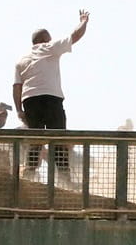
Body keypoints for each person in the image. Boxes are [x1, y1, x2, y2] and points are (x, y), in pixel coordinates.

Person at [13, 10, 89, 176]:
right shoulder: (49, 48)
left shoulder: (21, 60)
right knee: (59, 137)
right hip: (50, 98)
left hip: (30, 100)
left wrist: (19, 110)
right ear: (43, 40)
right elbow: (74, 36)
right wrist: (84, 21)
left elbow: (16, 87)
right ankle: (64, 173)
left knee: (36, 138)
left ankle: (29, 171)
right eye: (48, 38)